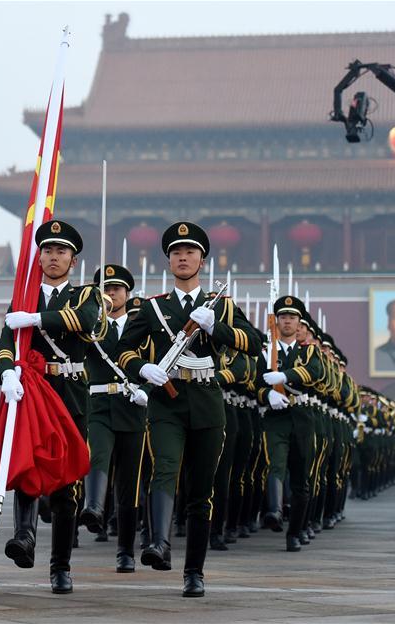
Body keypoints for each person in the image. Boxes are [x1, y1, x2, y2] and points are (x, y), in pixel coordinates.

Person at [115, 221, 262, 597]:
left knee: (201, 489)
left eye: (190, 252)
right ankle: (159, 543)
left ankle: (194, 571)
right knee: (163, 469)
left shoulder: (220, 306)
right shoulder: (153, 308)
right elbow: (124, 349)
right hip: (166, 399)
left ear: (202, 259)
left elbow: (255, 343)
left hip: (207, 400)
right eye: (177, 253)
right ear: (168, 261)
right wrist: (140, 367)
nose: (183, 257)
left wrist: (218, 330)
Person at [0, 219, 103, 594]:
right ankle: (24, 536)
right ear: (38, 257)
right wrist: (7, 372)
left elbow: (87, 321)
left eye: (61, 252)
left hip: (70, 392)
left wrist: (38, 318)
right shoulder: (23, 297)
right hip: (32, 391)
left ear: (73, 261)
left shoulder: (86, 295)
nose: (53, 257)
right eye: (47, 250)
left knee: (65, 483)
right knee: (27, 465)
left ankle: (61, 566)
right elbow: (7, 339)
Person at [79, 264, 149, 573]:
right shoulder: (90, 326)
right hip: (99, 404)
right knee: (97, 455)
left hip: (133, 407)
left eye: (116, 289)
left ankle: (125, 551)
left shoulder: (140, 327)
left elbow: (155, 362)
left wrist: (145, 388)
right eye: (105, 289)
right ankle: (93, 507)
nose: (111, 294)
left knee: (129, 484)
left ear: (127, 293)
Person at [259, 295, 323, 552]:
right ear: (276, 322)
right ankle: (274, 510)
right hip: (275, 418)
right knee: (275, 464)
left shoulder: (309, 352)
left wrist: (285, 375)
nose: (287, 321)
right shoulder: (266, 353)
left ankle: (294, 532)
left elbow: (314, 373)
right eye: (283, 317)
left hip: (302, 417)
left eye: (292, 317)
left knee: (300, 479)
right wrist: (268, 394)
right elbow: (254, 384)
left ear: (299, 324)